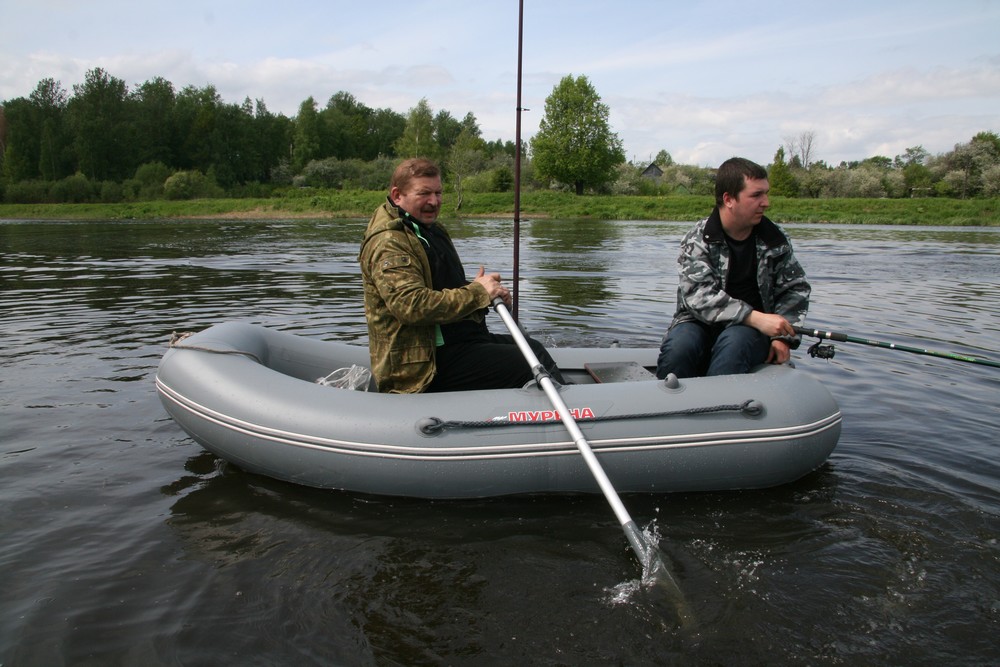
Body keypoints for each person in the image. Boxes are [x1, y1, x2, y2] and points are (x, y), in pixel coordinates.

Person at [359, 157, 565, 393]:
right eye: (424, 193)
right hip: (422, 365)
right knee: (526, 364)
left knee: (533, 349)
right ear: (397, 195)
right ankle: (577, 414)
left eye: (438, 193)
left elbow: (443, 290)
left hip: (451, 342)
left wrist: (486, 295)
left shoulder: (428, 230)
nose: (434, 201)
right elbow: (410, 305)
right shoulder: (389, 243)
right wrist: (477, 292)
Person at [655, 157, 811, 379]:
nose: (766, 202)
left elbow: (795, 289)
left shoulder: (775, 240)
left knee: (734, 345)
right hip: (697, 322)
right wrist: (756, 318)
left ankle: (718, 410)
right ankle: (667, 407)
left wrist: (782, 338)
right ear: (729, 199)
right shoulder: (697, 239)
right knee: (679, 349)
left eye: (766, 193)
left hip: (751, 333)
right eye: (756, 195)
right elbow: (699, 297)